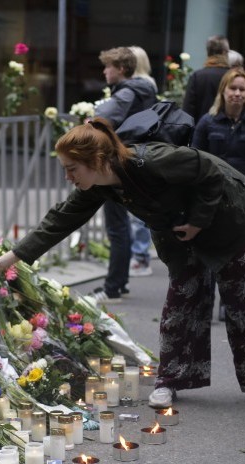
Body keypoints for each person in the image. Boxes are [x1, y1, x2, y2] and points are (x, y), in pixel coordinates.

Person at [0, 118, 245, 409]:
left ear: (96, 161)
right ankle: (173, 379)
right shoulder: (98, 184)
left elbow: (209, 171)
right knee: (182, 300)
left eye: (72, 168)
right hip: (181, 232)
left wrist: (199, 220)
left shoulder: (149, 161)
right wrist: (4, 262)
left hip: (229, 216)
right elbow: (58, 221)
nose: (67, 177)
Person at [192, 68, 245, 321]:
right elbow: (195, 162)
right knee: (210, 252)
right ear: (223, 91)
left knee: (239, 255)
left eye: (242, 89)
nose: (238, 94)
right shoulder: (207, 122)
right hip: (214, 198)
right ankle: (205, 303)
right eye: (233, 88)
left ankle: (230, 304)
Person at [90, 47, 158, 302]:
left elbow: (101, 119)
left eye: (108, 67)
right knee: (124, 225)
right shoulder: (143, 89)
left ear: (120, 69)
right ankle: (121, 281)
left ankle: (113, 287)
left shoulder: (127, 92)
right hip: (136, 161)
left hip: (119, 164)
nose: (104, 71)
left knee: (117, 226)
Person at [127, 45, 158, 277]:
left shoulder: (140, 87)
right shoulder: (147, 85)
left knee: (137, 210)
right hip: (141, 149)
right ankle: (139, 255)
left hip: (137, 150)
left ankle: (140, 257)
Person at [182, 35, 230, 123]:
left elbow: (187, 111)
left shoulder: (197, 76)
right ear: (224, 52)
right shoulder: (232, 76)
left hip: (201, 131)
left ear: (208, 52)